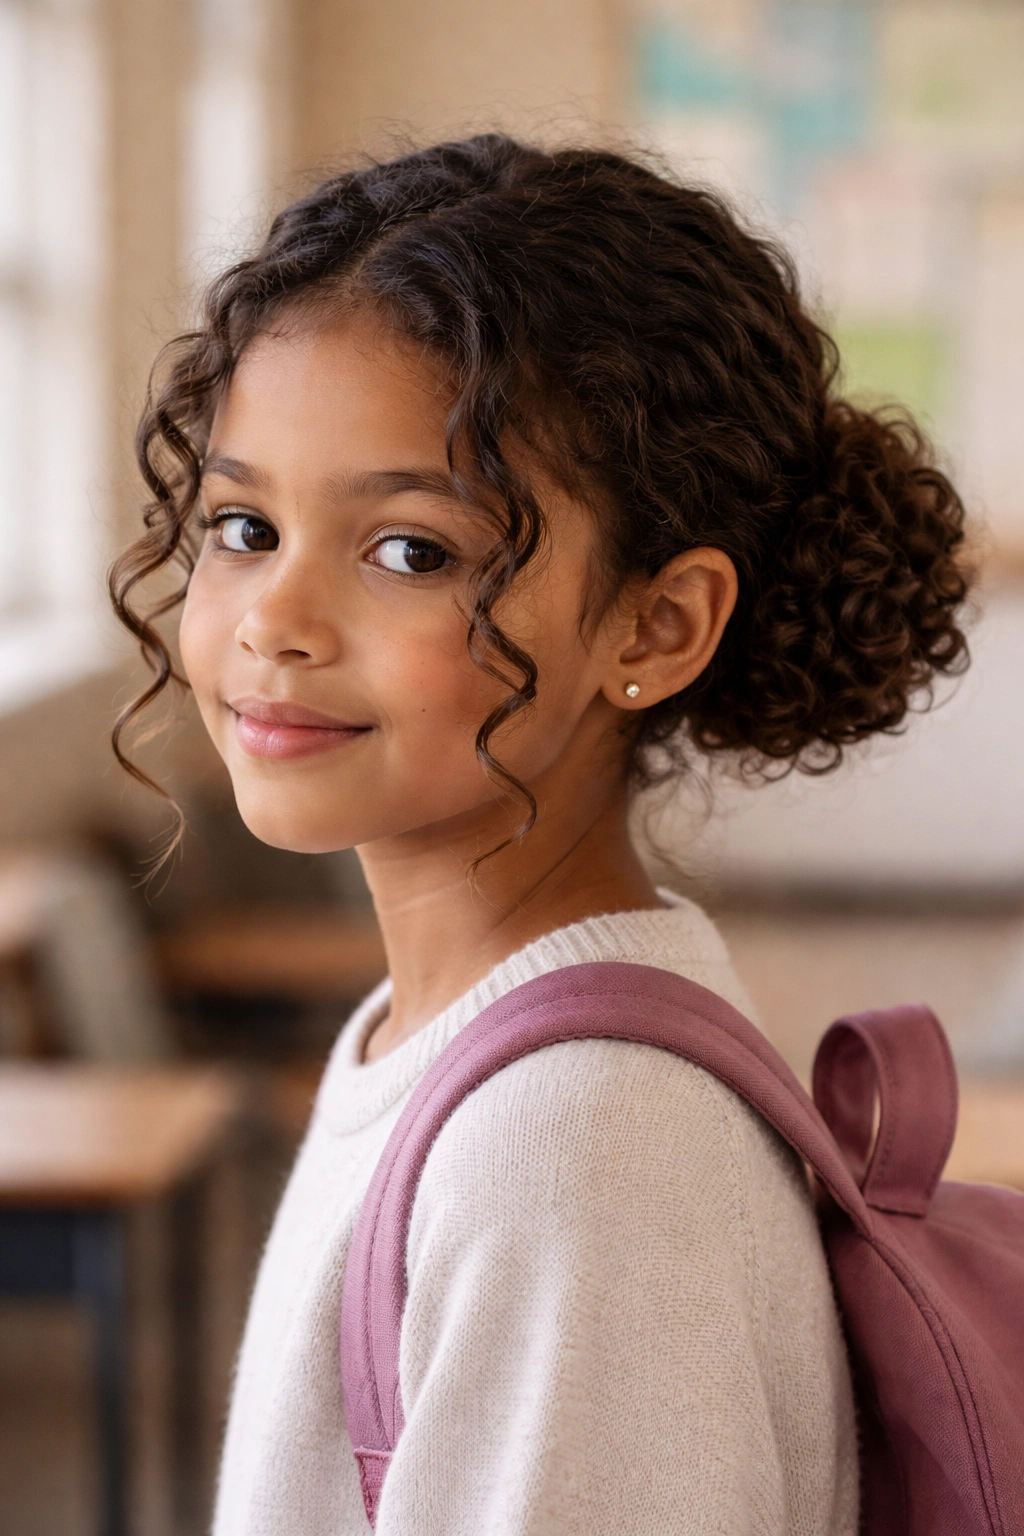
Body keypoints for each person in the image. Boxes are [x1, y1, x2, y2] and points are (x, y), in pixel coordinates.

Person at [111, 136, 970, 1535]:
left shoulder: (577, 1148)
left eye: (410, 550)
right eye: (244, 523)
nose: (272, 619)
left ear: (656, 625)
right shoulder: (452, 1045)